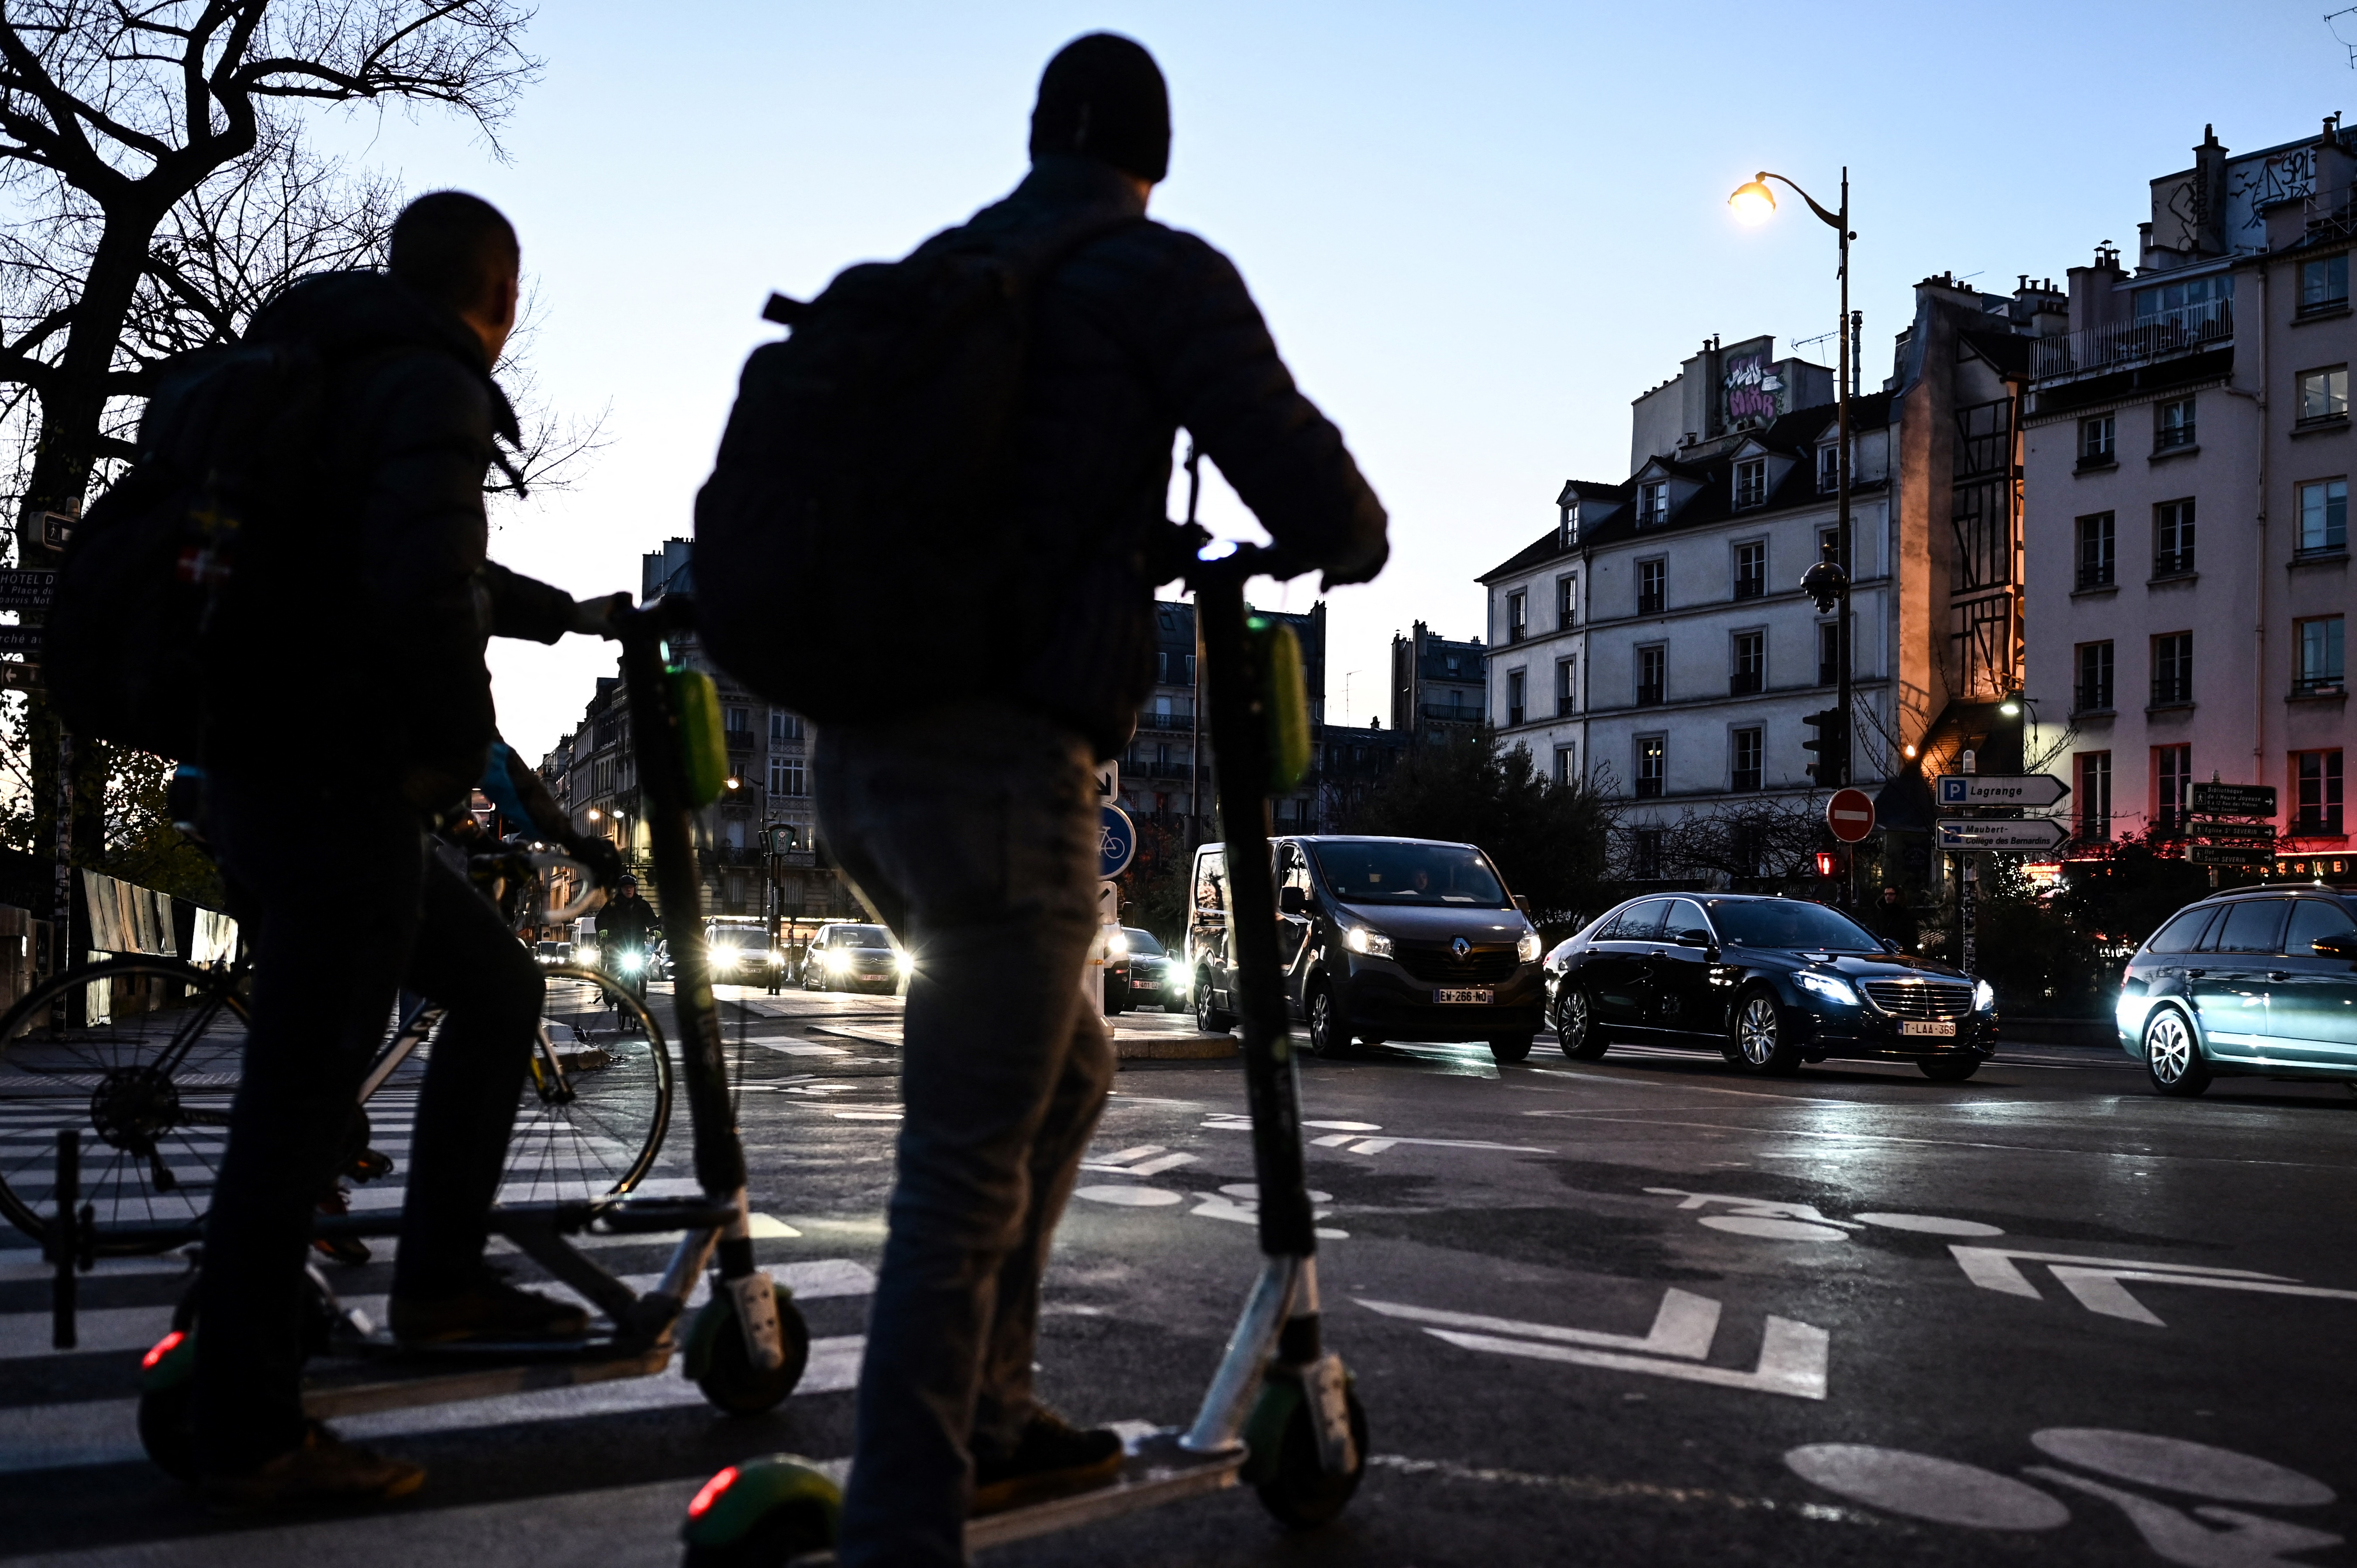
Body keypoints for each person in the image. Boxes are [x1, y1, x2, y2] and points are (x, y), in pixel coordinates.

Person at [809, 35, 1387, 1568]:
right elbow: (1318, 500)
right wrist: (1341, 540)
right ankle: (900, 1523)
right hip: (999, 769)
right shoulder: (1154, 275)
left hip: (851, 767)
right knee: (962, 1160)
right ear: (1157, 153)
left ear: (1028, 137)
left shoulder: (944, 270)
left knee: (1064, 1073)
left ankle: (991, 1416)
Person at [188, 191, 626, 1512]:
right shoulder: (426, 385)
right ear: (497, 298)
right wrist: (456, 767)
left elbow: (409, 562)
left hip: (264, 768)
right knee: (300, 1103)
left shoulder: (313, 372)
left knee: (492, 988)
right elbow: (429, 589)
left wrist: (566, 617)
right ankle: (249, 1427)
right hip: (342, 781)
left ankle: (435, 1280)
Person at [598, 874, 660, 1007]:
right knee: (613, 969)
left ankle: (641, 993)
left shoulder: (642, 905)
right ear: (621, 889)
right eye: (626, 888)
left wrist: (656, 929)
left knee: (642, 972)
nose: (629, 890)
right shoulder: (612, 905)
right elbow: (601, 919)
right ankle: (610, 991)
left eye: (632, 888)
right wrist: (603, 929)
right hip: (618, 946)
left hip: (637, 946)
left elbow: (652, 919)